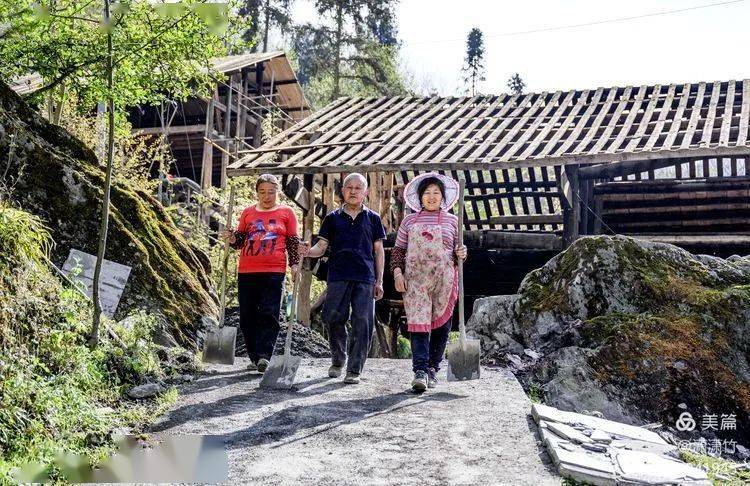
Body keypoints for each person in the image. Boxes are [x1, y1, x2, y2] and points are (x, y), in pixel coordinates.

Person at [300, 173, 385, 385]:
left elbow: (379, 251)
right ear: (343, 191)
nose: (354, 191)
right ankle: (338, 359)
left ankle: (354, 369)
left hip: (365, 277)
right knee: (331, 317)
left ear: (365, 193)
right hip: (338, 275)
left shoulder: (373, 218)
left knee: (363, 322)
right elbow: (321, 247)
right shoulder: (332, 218)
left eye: (358, 188)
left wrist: (380, 280)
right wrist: (306, 252)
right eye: (349, 187)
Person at [390, 172, 467, 392]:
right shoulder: (409, 221)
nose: (431, 197)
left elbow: (458, 252)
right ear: (420, 197)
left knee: (442, 326)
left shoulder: (453, 221)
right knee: (419, 325)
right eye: (427, 193)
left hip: (444, 280)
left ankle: (434, 367)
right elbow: (398, 252)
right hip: (416, 282)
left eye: (436, 193)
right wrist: (397, 274)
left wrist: (462, 252)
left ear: (443, 197)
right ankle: (420, 371)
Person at [220, 174, 301, 373]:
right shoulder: (247, 213)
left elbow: (292, 241)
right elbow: (239, 241)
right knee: (247, 315)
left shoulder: (287, 213)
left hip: (274, 270)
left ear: (278, 192)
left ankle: (265, 355)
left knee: (269, 312)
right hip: (247, 270)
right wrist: (231, 237)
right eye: (262, 192)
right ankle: (254, 356)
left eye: (271, 192)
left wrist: (295, 264)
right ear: (256, 193)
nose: (267, 196)